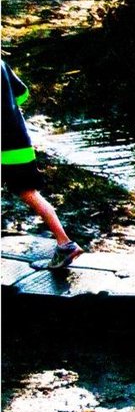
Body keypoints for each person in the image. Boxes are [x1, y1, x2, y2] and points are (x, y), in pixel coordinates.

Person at [1, 60, 83, 269]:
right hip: (19, 140)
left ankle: (65, 245)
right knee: (29, 192)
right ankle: (64, 243)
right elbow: (23, 94)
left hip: (3, 145)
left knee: (27, 193)